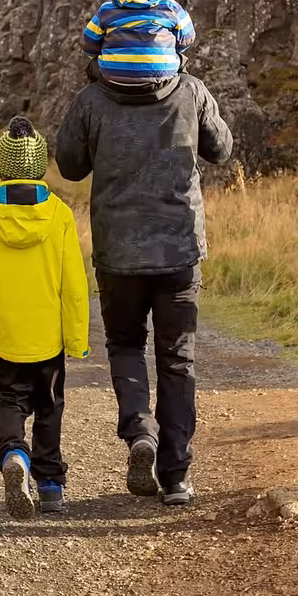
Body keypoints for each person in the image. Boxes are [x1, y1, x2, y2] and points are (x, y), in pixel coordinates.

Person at [54, 35, 232, 508]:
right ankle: (175, 477)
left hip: (118, 253)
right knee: (177, 358)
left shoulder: (90, 99)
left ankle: (139, 431)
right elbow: (222, 149)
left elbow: (69, 165)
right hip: (179, 251)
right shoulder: (190, 90)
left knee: (126, 344)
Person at [0, 116, 91, 520]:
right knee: (49, 409)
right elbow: (74, 285)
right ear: (40, 167)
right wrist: (78, 340)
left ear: (1, 168)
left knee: (8, 401)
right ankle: (50, 486)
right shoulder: (60, 215)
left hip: (7, 340)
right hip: (48, 341)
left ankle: (14, 452)